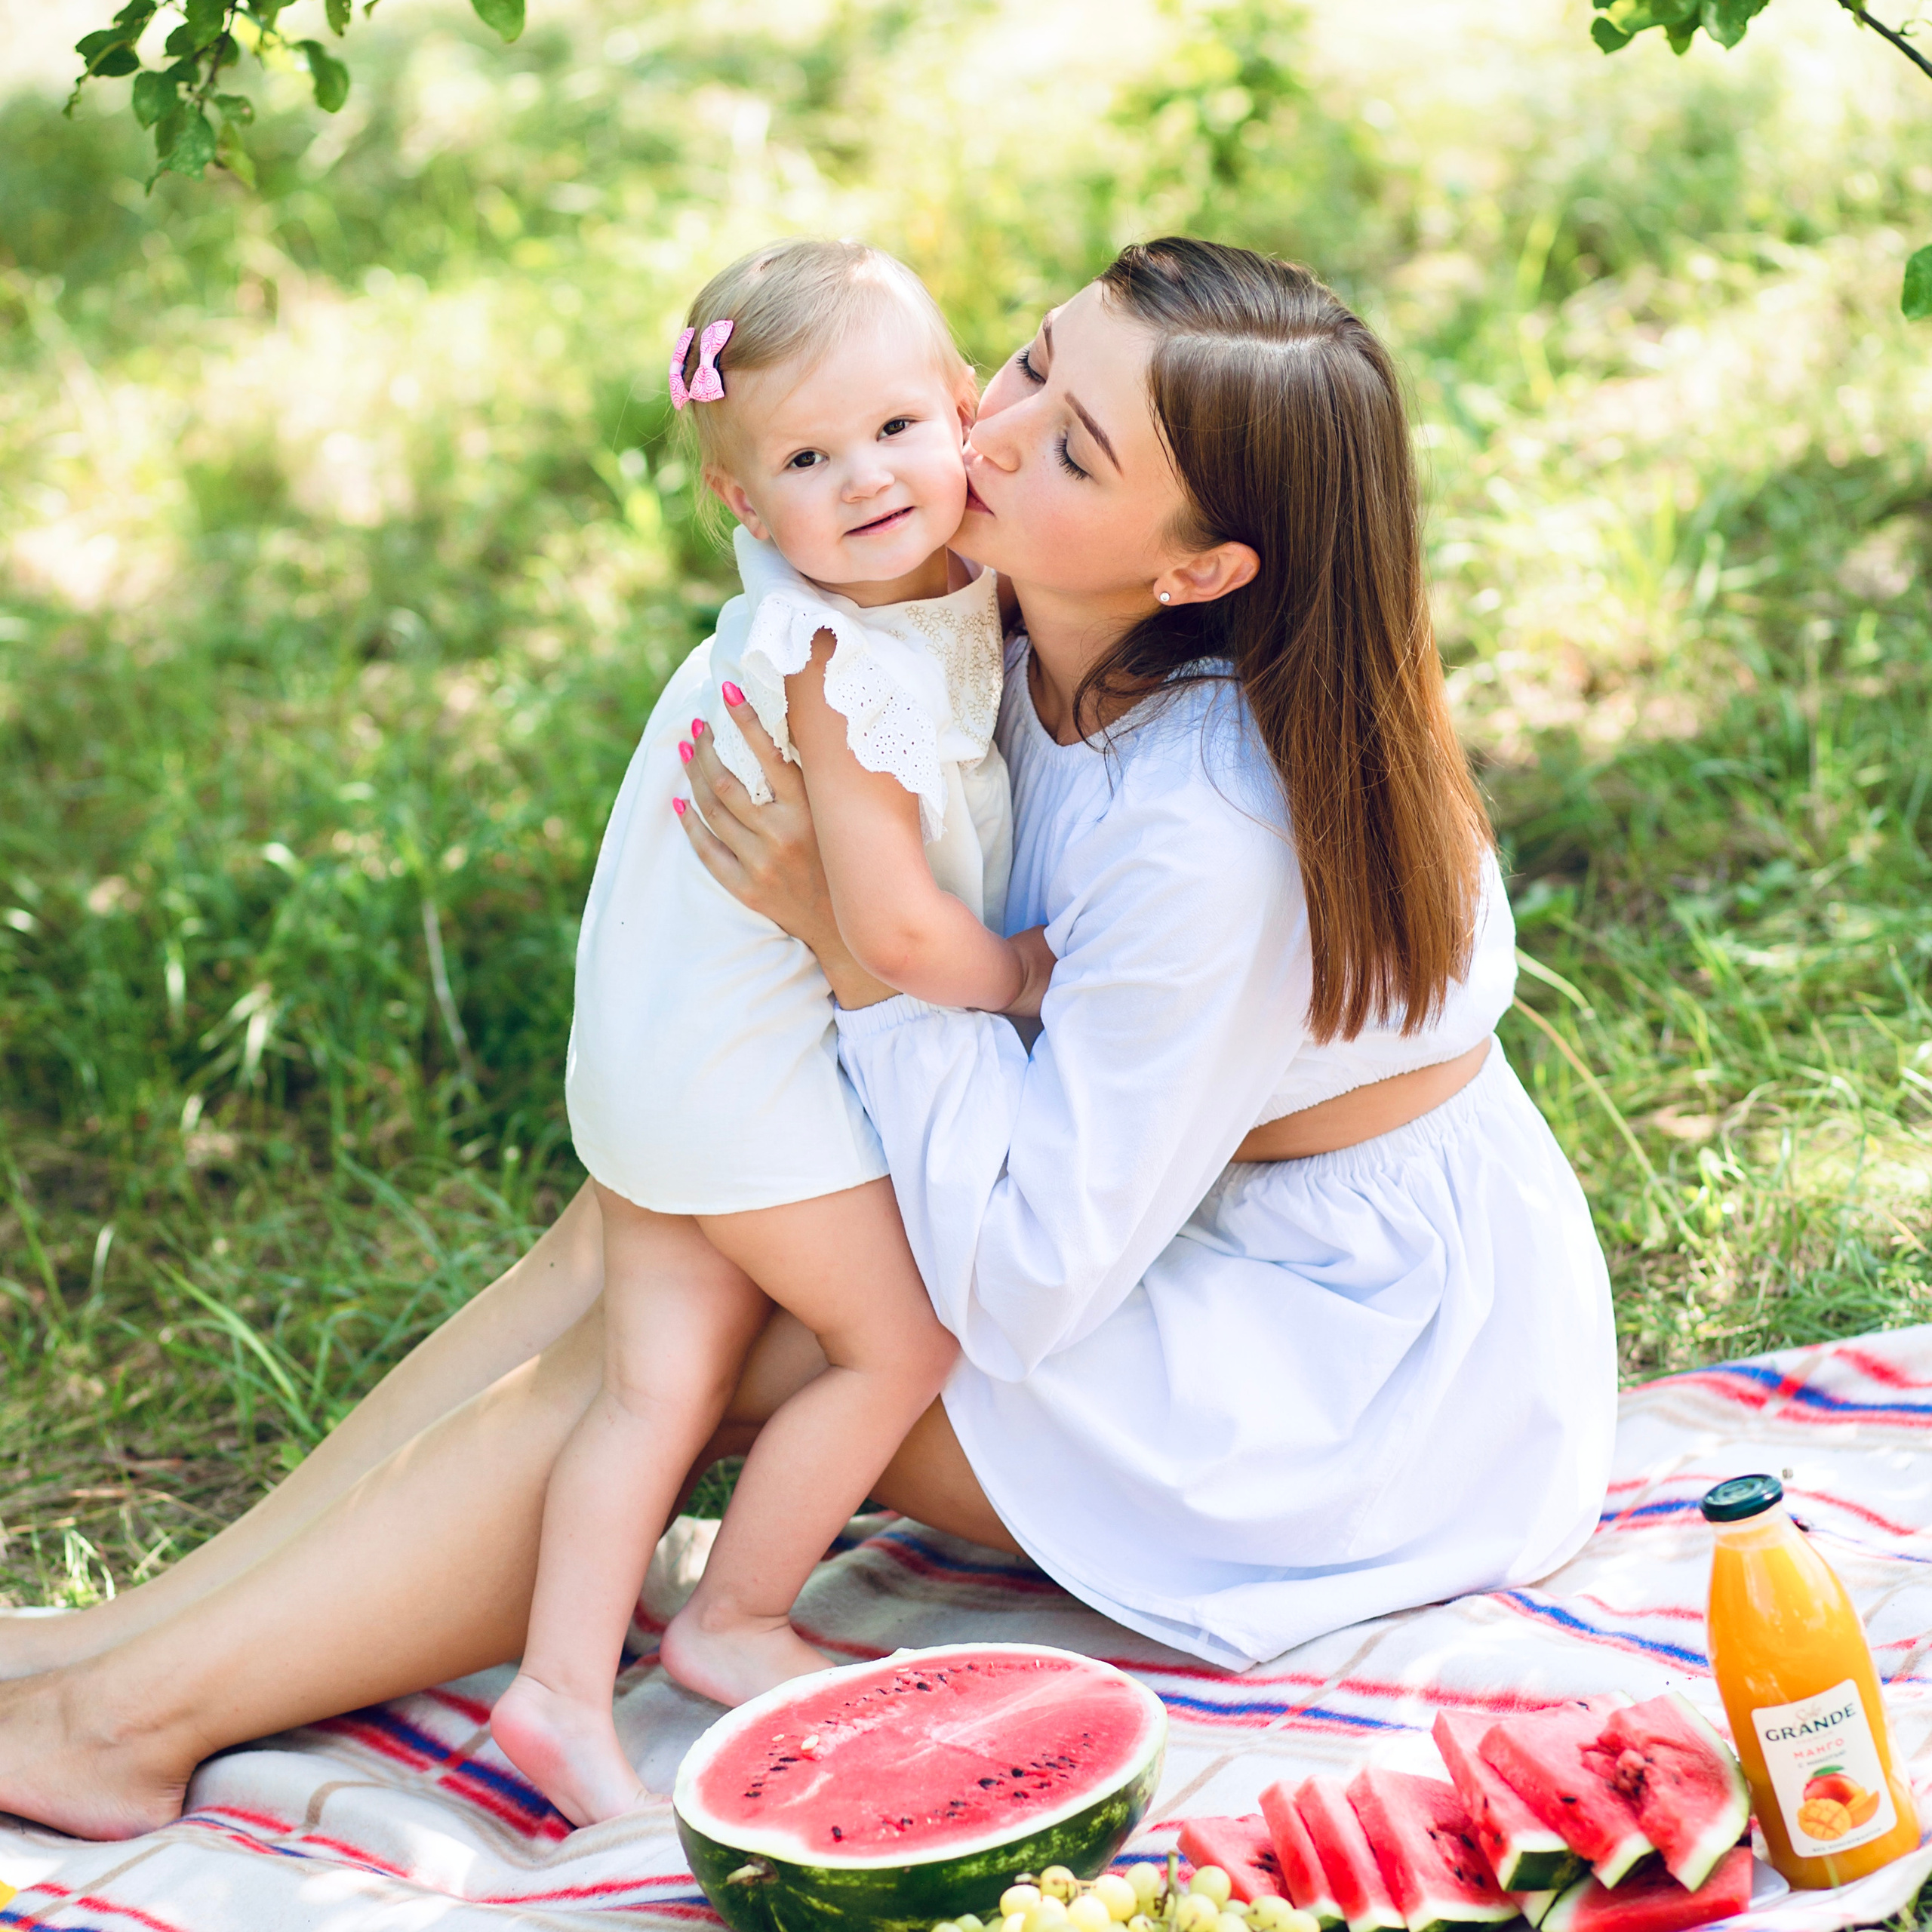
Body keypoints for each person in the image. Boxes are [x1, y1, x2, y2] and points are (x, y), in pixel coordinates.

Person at [0, 238, 1617, 1847]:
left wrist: (859, 958)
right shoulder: (1002, 616)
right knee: (650, 1220)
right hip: (1142, 1205)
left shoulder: (1206, 826)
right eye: (1033, 360)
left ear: (1197, 567)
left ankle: (130, 1717)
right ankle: (109, 1648)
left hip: (1335, 1378)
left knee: (730, 1311)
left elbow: (1026, 1275)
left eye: (1067, 447)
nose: (985, 434)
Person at [497, 237, 1054, 1826]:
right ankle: (729, 1614)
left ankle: (553, 1686)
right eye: (807, 459)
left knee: (655, 1383)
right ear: (746, 508)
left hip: (651, 1058)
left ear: (961, 411)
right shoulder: (832, 659)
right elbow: (884, 929)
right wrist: (1018, 973)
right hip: (737, 1087)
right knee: (900, 1339)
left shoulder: (908, 597)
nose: (866, 479)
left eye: (892, 428)